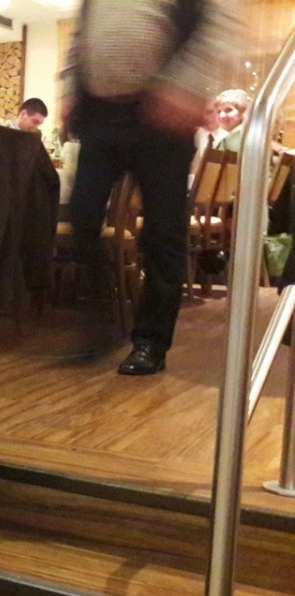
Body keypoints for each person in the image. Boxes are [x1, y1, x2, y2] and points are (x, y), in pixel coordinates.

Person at [62, 0, 237, 375]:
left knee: (163, 235)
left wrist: (186, 88)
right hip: (101, 115)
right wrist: (70, 88)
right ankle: (101, 324)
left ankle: (151, 343)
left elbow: (210, 29)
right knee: (82, 215)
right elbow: (81, 37)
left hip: (163, 117)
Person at [213, 88, 250, 152]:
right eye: (219, 111)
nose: (221, 115)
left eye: (228, 110)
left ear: (243, 112)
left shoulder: (237, 137)